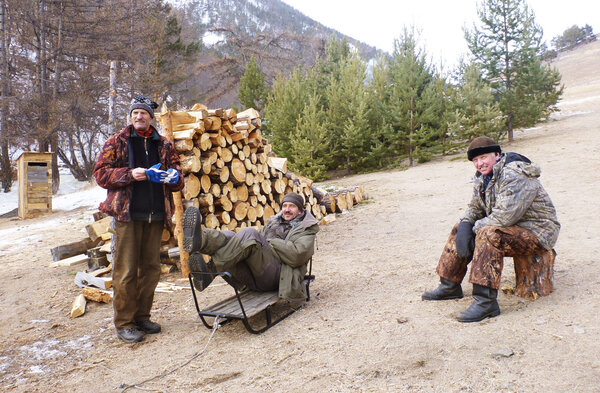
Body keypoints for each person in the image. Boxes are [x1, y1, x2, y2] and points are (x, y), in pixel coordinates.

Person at [422, 136, 560, 322]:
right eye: (475, 160)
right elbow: (474, 208)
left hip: (537, 232)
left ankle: (486, 302)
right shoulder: (484, 178)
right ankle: (449, 285)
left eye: (483, 157)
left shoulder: (514, 175)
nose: (479, 163)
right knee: (460, 227)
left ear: (497, 155)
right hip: (512, 229)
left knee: (487, 234)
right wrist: (464, 225)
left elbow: (504, 217)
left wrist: (472, 229)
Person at [94, 95, 184, 343]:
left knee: (151, 270)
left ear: (150, 118)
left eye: (143, 113)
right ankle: (125, 323)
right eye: (135, 113)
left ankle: (143, 317)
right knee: (126, 271)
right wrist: (130, 174)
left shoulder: (163, 144)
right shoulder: (117, 142)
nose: (139, 117)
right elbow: (100, 174)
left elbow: (179, 175)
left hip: (155, 216)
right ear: (130, 117)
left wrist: (174, 178)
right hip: (128, 216)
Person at [182, 192, 319, 300]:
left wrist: (270, 242)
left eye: (292, 206)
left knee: (250, 234)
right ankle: (201, 240)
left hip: (279, 276)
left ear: (300, 211)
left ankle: (211, 270)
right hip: (257, 273)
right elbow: (255, 245)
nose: (287, 210)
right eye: (284, 206)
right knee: (230, 237)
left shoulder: (306, 228)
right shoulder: (275, 222)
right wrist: (264, 242)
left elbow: (297, 255)